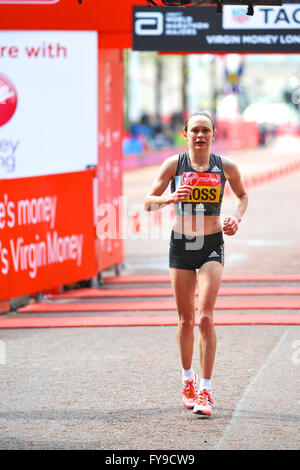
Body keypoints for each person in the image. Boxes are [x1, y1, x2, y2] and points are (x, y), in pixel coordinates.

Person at [144, 111, 248, 416]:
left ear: (214, 134)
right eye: (195, 130)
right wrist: (170, 197)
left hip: (212, 245)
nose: (200, 135)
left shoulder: (225, 166)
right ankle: (187, 379)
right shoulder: (173, 165)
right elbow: (148, 201)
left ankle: (206, 389)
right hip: (181, 246)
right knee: (185, 320)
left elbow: (242, 196)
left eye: (206, 130)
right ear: (184, 134)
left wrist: (236, 218)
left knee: (205, 317)